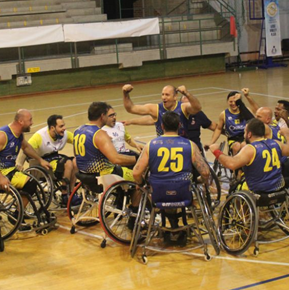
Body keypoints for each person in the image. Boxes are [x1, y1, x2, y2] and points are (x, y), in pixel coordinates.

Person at [132, 111, 211, 245]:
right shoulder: (190, 145)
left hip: (158, 194)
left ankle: (167, 228)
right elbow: (205, 172)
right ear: (180, 125)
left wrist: (142, 184)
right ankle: (180, 228)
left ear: (162, 126)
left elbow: (136, 173)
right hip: (183, 193)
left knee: (150, 187)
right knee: (188, 186)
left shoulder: (150, 145)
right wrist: (200, 182)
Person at [0, 109, 52, 230]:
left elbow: (26, 147)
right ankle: (16, 215)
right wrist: (0, 177)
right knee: (30, 184)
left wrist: (40, 160)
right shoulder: (2, 135)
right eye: (29, 120)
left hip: (9, 170)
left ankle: (20, 210)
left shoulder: (18, 134)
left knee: (31, 181)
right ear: (20, 121)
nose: (32, 123)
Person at [209, 118, 289, 193]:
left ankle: (240, 211)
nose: (244, 135)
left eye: (244, 132)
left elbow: (231, 164)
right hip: (278, 186)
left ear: (249, 134)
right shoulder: (276, 143)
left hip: (257, 189)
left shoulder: (250, 149)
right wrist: (287, 134)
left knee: (235, 189)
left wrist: (217, 151)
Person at [73, 102, 136, 182]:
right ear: (102, 116)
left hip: (85, 175)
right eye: (107, 115)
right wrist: (137, 159)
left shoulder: (77, 130)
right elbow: (116, 159)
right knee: (139, 175)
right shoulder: (99, 134)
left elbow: (77, 155)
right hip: (104, 176)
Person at [27, 114, 77, 203]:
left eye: (64, 125)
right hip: (41, 162)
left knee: (76, 162)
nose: (64, 128)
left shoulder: (65, 134)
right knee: (68, 163)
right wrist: (19, 164)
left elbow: (78, 141)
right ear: (53, 128)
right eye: (61, 126)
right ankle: (65, 195)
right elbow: (26, 148)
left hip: (54, 157)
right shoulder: (40, 136)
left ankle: (72, 193)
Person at [122, 84, 202, 138]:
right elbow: (131, 108)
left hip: (181, 146)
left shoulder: (183, 107)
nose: (164, 97)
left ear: (175, 97)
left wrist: (187, 93)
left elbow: (197, 107)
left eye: (167, 95)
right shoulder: (156, 108)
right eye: (162, 94)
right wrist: (125, 93)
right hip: (163, 146)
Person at [206, 90, 254, 155]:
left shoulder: (246, 111)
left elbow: (255, 121)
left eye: (235, 101)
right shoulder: (224, 114)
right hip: (233, 139)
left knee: (244, 145)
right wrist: (211, 143)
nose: (233, 104)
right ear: (227, 102)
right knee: (236, 146)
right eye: (231, 101)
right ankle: (235, 162)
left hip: (246, 138)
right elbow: (218, 129)